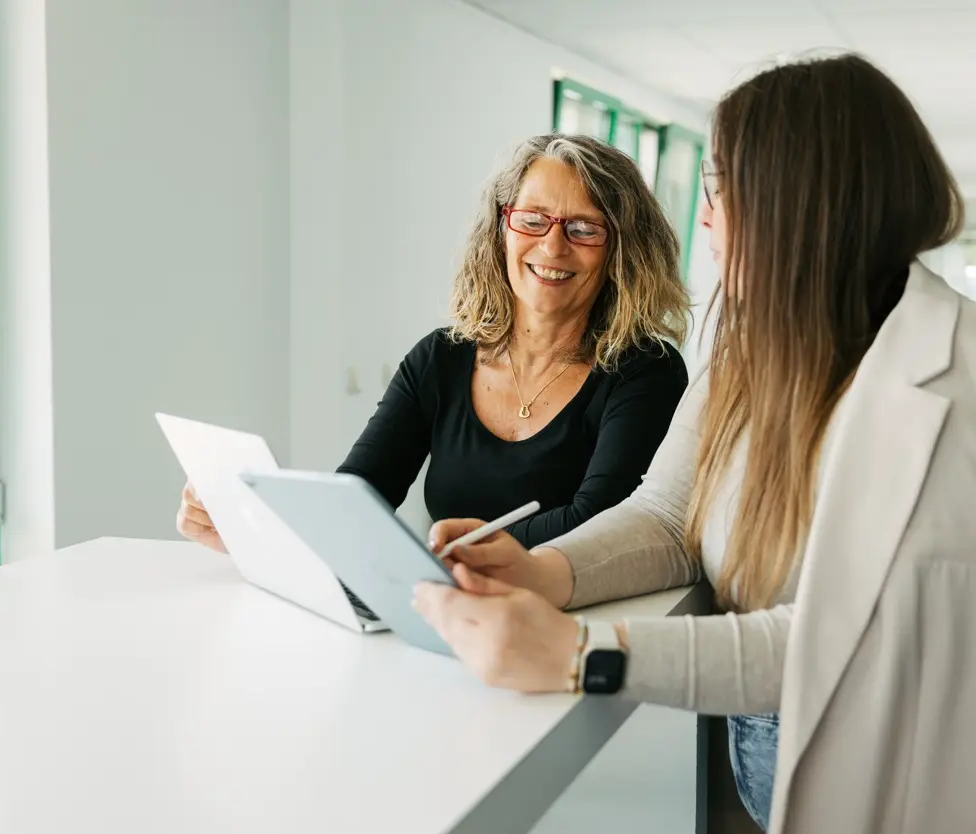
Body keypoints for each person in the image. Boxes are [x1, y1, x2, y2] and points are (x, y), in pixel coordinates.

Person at [415, 53, 976, 834]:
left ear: (794, 199)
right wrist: (541, 567)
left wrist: (583, 654)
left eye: (718, 189)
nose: (704, 220)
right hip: (768, 771)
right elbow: (668, 517)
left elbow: (841, 643)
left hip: (931, 806)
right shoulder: (744, 353)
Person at [177, 133, 690, 553]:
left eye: (584, 228)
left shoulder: (646, 372)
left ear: (622, 250)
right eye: (533, 220)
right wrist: (254, 529)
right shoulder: (440, 357)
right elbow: (360, 496)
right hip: (448, 612)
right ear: (502, 228)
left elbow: (599, 525)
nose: (552, 246)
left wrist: (438, 558)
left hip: (567, 627)